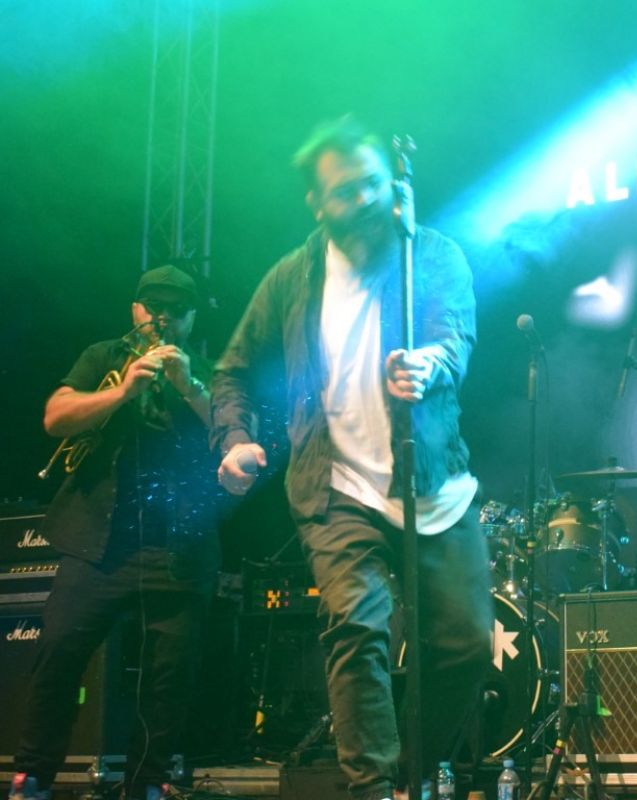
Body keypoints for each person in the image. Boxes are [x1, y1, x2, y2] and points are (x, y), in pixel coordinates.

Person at [209, 116, 493, 800]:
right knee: (357, 625)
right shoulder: (291, 278)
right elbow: (233, 369)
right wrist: (235, 438)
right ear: (317, 203)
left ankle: (411, 778)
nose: (364, 199)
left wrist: (429, 364)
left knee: (466, 645)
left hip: (433, 482)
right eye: (345, 191)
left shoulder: (432, 254)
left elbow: (454, 338)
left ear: (393, 182)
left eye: (373, 183)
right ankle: (371, 788)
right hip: (335, 489)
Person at [9, 266, 219, 800]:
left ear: (193, 318)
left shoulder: (210, 371)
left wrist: (188, 385)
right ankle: (33, 774)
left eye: (176, 309)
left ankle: (147, 782)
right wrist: (123, 392)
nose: (163, 317)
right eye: (153, 307)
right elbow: (55, 417)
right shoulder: (104, 356)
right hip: (97, 544)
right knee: (58, 654)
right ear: (135, 310)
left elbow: (236, 430)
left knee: (169, 676)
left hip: (178, 548)